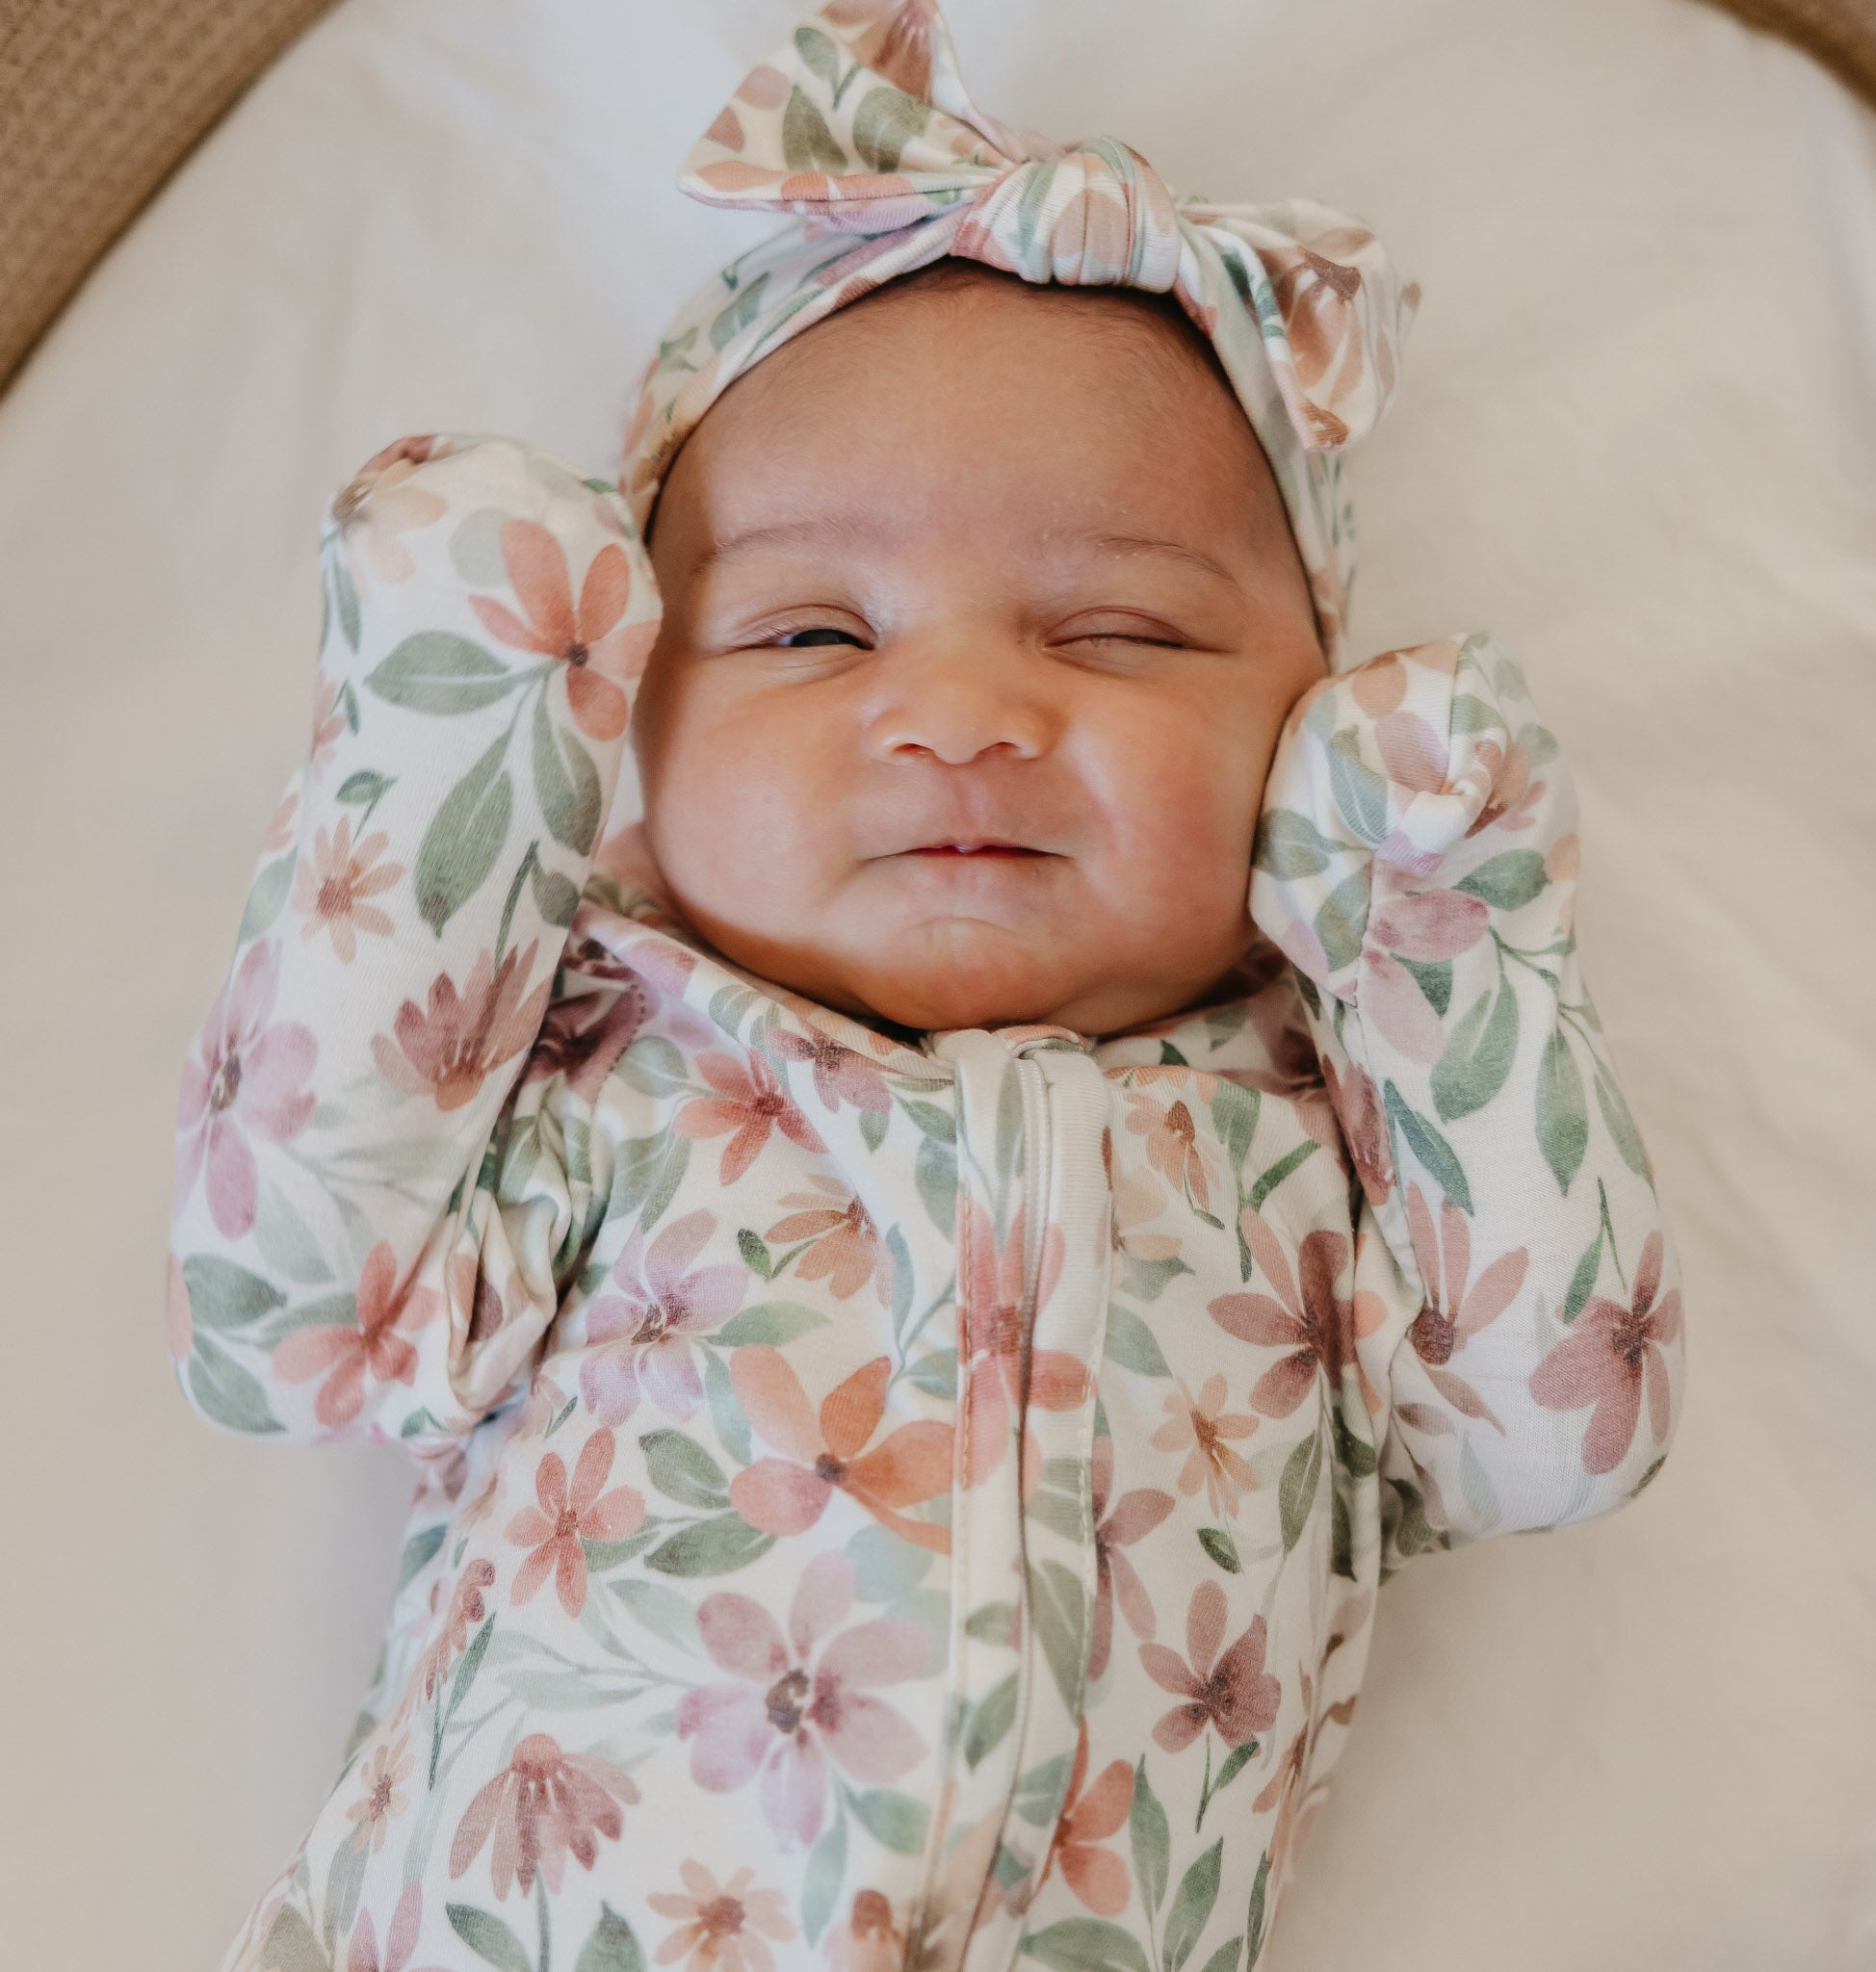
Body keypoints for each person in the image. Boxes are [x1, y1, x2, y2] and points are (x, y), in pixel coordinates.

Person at [167, 5, 1683, 1967]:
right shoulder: (617, 1084)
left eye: (1120, 631)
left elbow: (1556, 1433)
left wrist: (1435, 934)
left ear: (1307, 728)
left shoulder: (1312, 1168)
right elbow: (288, 1316)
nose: (962, 712)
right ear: (631, 711)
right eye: (811, 633)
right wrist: (455, 714)